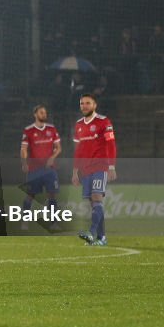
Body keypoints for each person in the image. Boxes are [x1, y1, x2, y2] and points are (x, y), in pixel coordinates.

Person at [72, 93, 116, 246]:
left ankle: (91, 232)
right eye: (82, 103)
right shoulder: (78, 124)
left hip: (100, 166)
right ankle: (101, 238)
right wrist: (75, 171)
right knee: (94, 204)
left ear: (94, 105)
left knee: (97, 198)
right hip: (85, 169)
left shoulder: (104, 121)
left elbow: (111, 145)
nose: (84, 106)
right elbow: (78, 150)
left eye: (87, 103)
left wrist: (111, 166)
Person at [19, 105, 61, 231]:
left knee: (52, 195)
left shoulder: (52, 129)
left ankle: (54, 223)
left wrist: (52, 157)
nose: (44, 114)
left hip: (49, 170)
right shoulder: (29, 130)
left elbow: (58, 147)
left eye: (45, 112)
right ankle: (25, 221)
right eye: (41, 112)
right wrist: (24, 162)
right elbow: (24, 149)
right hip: (34, 170)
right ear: (35, 114)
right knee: (30, 195)